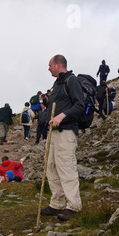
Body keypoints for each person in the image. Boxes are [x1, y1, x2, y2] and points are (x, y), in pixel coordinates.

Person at [43, 54, 84, 221]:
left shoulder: (71, 81)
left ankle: (73, 205)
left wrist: (63, 115)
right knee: (52, 168)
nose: (48, 68)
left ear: (58, 65)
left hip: (66, 132)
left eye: (50, 65)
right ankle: (57, 203)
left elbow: (80, 104)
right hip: (53, 133)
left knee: (66, 167)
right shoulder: (57, 84)